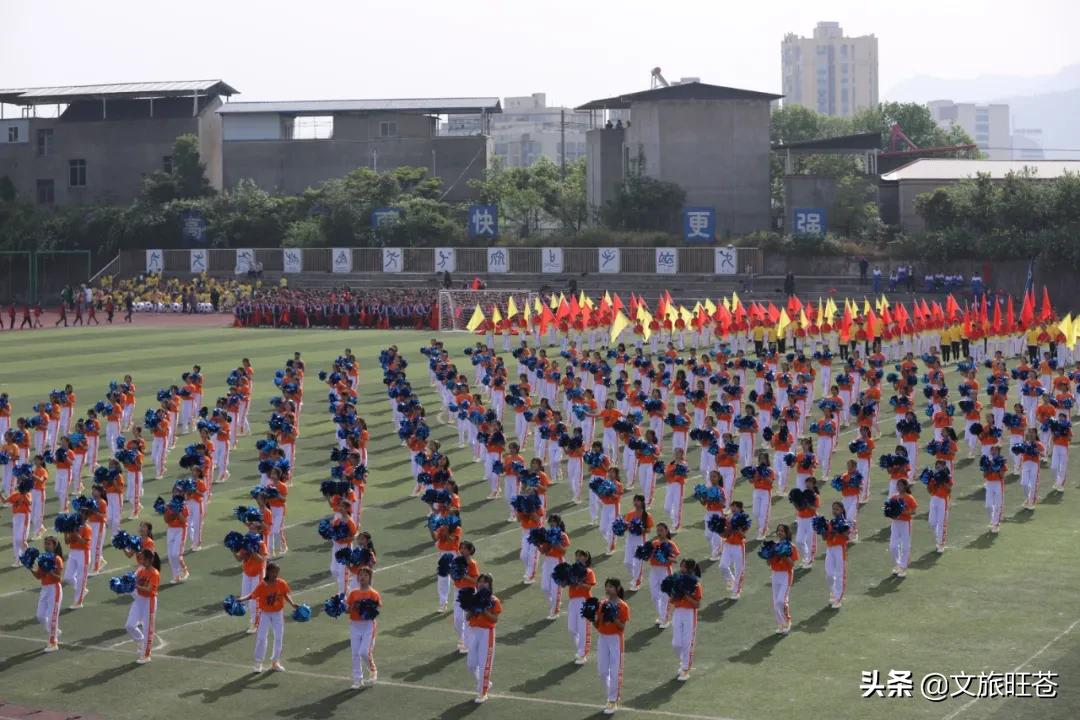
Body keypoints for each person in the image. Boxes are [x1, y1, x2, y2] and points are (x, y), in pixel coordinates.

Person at [238, 562, 300, 673]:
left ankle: (275, 662)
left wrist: (293, 604)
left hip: (277, 613)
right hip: (265, 613)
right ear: (268, 572)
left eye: (277, 572)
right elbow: (252, 595)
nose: (275, 574)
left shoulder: (281, 583)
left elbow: (285, 594)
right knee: (261, 637)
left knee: (278, 637)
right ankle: (258, 663)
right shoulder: (262, 585)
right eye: (273, 572)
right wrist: (241, 599)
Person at [594, 577, 630, 715]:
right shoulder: (602, 604)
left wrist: (613, 617)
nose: (608, 589)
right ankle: (611, 694)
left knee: (615, 670)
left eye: (611, 586)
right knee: (602, 671)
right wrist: (592, 618)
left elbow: (622, 627)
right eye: (607, 586)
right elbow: (598, 625)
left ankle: (612, 699)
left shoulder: (623, 606)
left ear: (618, 588)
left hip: (616, 639)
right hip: (603, 638)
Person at [464, 573, 502, 704]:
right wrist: (475, 608)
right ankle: (484, 682)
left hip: (487, 633)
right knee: (471, 664)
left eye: (485, 582)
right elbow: (467, 617)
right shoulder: (472, 598)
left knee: (484, 664)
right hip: (474, 633)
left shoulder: (494, 600)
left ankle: (483, 692)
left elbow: (495, 619)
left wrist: (484, 610)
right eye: (480, 582)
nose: (481, 584)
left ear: (490, 585)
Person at [345, 566, 381, 688]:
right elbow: (347, 610)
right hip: (355, 625)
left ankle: (372, 669)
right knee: (355, 653)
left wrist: (366, 607)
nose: (362, 577)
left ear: (370, 578)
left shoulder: (373, 594)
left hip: (368, 626)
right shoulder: (353, 593)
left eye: (365, 575)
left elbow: (377, 609)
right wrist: (352, 607)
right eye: (360, 575)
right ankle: (357, 679)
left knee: (364, 652)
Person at [124, 548, 161, 664]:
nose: (142, 561)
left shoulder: (154, 573)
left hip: (149, 601)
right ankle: (140, 640)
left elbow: (149, 590)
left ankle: (146, 655)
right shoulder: (141, 571)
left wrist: (135, 586)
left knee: (147, 629)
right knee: (129, 625)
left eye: (144, 559)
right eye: (141, 559)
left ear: (150, 560)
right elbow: (134, 581)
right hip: (139, 600)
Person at [669, 558, 703, 681]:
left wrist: (685, 595)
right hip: (678, 612)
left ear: (689, 569)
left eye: (683, 567)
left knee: (687, 642)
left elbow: (697, 604)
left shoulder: (696, 585)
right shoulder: (677, 581)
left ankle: (685, 669)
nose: (681, 569)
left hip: (690, 613)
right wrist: (674, 592)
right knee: (676, 643)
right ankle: (683, 661)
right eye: (681, 566)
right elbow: (672, 600)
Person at [30, 535, 64, 652]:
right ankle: (54, 631)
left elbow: (59, 578)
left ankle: (53, 643)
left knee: (52, 617)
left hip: (55, 589)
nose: (46, 546)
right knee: (40, 616)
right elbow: (39, 576)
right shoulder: (42, 558)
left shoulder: (57, 559)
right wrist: (30, 568)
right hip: (44, 589)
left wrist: (49, 570)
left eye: (49, 544)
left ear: (54, 546)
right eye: (45, 544)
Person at [765, 523, 798, 634]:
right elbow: (769, 563)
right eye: (778, 530)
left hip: (786, 575)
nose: (779, 533)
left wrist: (784, 555)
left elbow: (792, 564)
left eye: (782, 531)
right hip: (775, 574)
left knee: (781, 601)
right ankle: (781, 624)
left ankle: (787, 621)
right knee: (776, 602)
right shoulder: (774, 545)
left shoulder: (791, 547)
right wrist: (768, 554)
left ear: (787, 533)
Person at [566, 549, 596, 664]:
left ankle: (583, 654)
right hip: (572, 601)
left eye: (580, 556)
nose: (578, 558)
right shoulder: (572, 571)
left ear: (586, 558)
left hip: (584, 601)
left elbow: (588, 587)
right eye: (576, 556)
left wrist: (578, 582)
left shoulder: (589, 572)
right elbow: (565, 583)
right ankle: (581, 649)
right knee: (572, 628)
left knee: (583, 629)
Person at [887, 479, 917, 577]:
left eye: (901, 485)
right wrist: (891, 514)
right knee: (893, 546)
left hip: (905, 524)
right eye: (898, 485)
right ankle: (898, 564)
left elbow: (914, 511)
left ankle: (903, 567)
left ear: (905, 487)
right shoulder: (894, 497)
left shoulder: (910, 498)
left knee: (905, 546)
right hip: (895, 523)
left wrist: (903, 512)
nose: (899, 487)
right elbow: (889, 510)